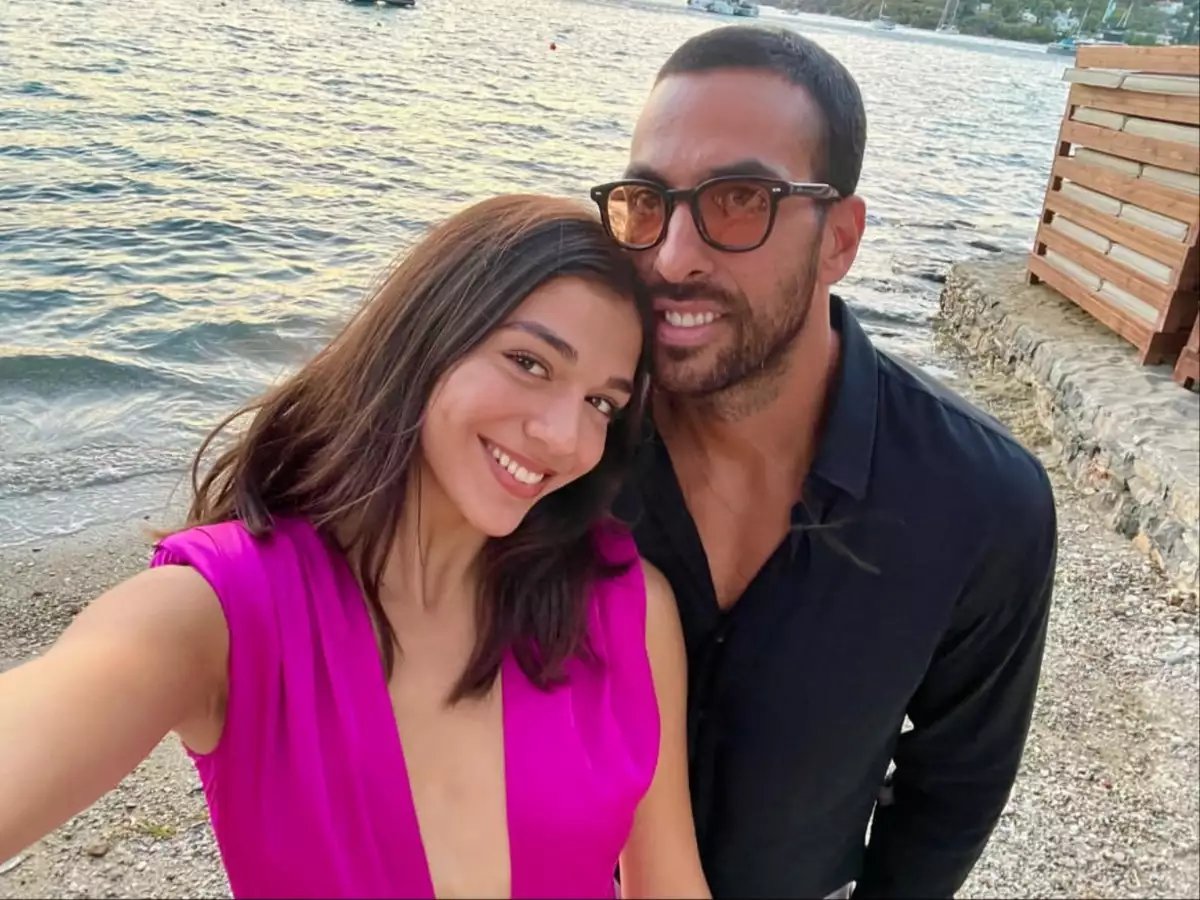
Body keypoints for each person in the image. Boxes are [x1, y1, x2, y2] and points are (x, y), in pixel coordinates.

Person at [0, 196, 711, 900]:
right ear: (427, 337)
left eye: (602, 403)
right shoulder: (220, 611)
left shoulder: (623, 611)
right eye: (529, 362)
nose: (563, 437)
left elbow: (670, 885)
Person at [594, 26, 1058, 899]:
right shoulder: (568, 447)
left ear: (840, 239)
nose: (672, 256)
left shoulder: (981, 502)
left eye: (741, 199)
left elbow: (954, 789)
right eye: (647, 201)